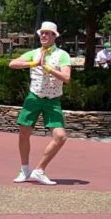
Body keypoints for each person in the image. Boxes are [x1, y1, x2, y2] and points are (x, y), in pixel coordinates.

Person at [8, 21, 72, 186]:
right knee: (24, 132)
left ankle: (39, 170)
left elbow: (66, 78)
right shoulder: (34, 53)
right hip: (34, 98)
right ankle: (24, 169)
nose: (43, 35)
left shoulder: (62, 55)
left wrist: (48, 68)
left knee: (60, 136)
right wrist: (33, 63)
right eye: (41, 33)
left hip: (52, 100)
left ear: (54, 36)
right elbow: (12, 64)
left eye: (47, 33)